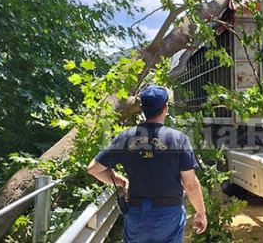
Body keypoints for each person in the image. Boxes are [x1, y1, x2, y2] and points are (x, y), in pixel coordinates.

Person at [87, 85, 207, 242]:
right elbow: (190, 184)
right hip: (168, 215)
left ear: (142, 109)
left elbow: (93, 169)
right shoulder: (178, 139)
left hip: (136, 215)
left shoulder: (125, 137)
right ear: (165, 107)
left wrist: (119, 180)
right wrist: (201, 213)